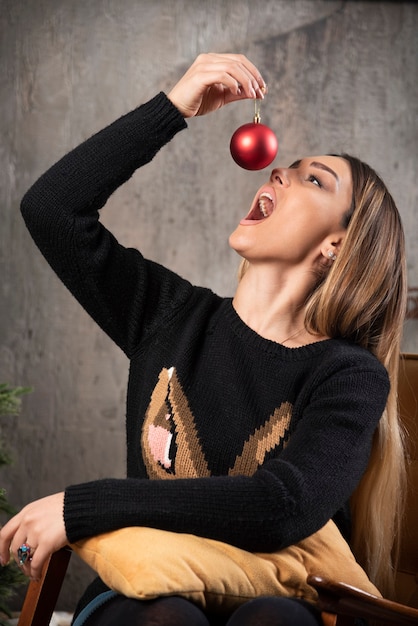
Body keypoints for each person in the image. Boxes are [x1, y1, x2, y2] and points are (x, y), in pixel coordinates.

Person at [0, 53, 407, 625]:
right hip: (145, 596)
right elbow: (52, 210)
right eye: (285, 167)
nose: (278, 173)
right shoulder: (168, 316)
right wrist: (174, 106)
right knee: (166, 617)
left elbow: (282, 505)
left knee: (274, 621)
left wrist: (84, 506)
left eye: (314, 178)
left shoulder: (349, 376)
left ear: (337, 246)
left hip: (273, 599)